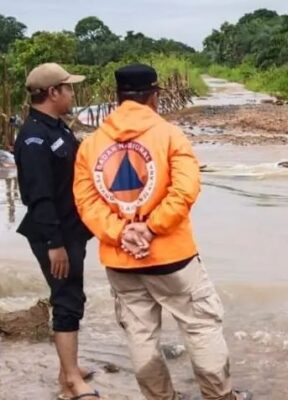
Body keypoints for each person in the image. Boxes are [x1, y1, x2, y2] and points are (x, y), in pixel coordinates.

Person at [73, 64, 251, 400]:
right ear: (154, 97)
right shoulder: (170, 136)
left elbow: (86, 202)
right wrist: (152, 227)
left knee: (140, 335)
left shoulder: (91, 145)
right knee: (201, 326)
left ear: (117, 98)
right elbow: (185, 191)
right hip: (172, 257)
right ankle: (219, 396)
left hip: (120, 260)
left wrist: (121, 232)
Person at [14, 63, 98, 399]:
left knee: (72, 295)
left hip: (69, 229)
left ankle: (69, 368)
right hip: (55, 233)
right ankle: (71, 383)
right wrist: (54, 244)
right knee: (66, 299)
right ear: (52, 93)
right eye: (68, 89)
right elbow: (39, 196)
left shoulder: (56, 129)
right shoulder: (34, 139)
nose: (72, 94)